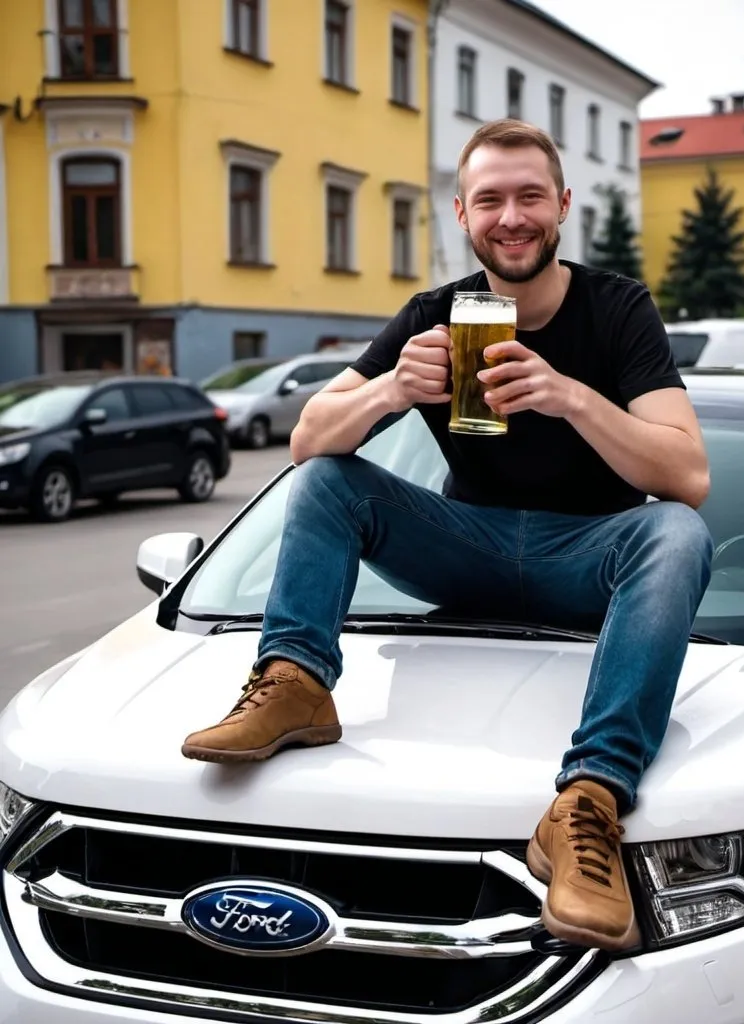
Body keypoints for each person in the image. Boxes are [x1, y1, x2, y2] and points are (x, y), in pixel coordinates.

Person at [181, 119, 713, 953]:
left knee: (676, 534)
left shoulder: (617, 309)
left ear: (563, 205)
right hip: (465, 550)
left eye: (530, 196)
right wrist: (390, 389)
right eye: (491, 200)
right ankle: (296, 684)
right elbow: (307, 443)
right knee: (328, 477)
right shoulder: (435, 313)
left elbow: (688, 475)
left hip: (591, 557)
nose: (512, 217)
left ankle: (589, 804)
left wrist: (569, 395)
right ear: (462, 215)